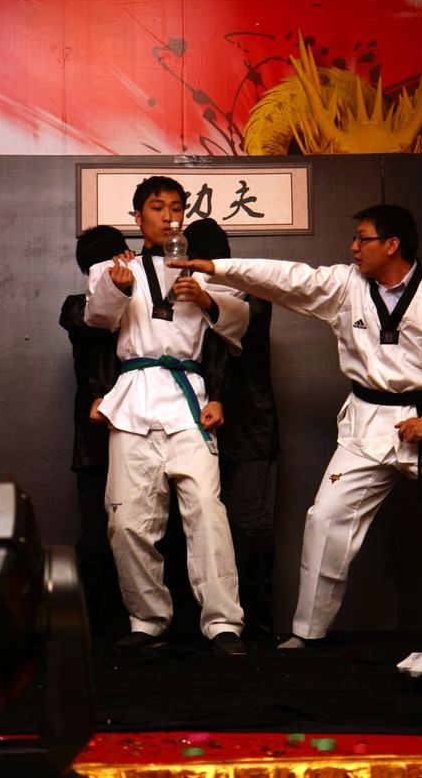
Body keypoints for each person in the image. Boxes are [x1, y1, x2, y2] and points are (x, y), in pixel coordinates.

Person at [172, 203, 422, 647]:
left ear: (392, 245)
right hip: (367, 426)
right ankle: (307, 633)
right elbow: (285, 278)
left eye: (363, 238)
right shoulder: (345, 285)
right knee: (325, 520)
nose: (353, 247)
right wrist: (218, 268)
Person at [83, 176, 249, 655]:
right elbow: (96, 319)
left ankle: (223, 624)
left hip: (187, 399)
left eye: (177, 208)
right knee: (127, 520)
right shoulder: (112, 268)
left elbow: (240, 325)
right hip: (134, 400)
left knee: (207, 512)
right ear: (138, 217)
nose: (169, 216)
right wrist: (117, 291)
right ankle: (147, 620)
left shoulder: (204, 271)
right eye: (158, 207)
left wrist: (208, 299)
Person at [184, 218, 280, 640]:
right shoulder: (181, 296)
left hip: (250, 428)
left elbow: (238, 335)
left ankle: (255, 625)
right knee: (199, 526)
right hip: (194, 424)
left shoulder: (250, 293)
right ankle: (207, 625)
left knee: (249, 528)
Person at [59, 224, 129, 634]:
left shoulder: (146, 301)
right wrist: (115, 287)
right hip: (96, 437)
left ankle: (138, 627)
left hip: (141, 430)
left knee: (142, 531)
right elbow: (96, 326)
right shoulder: (76, 308)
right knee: (96, 537)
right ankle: (87, 630)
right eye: (118, 255)